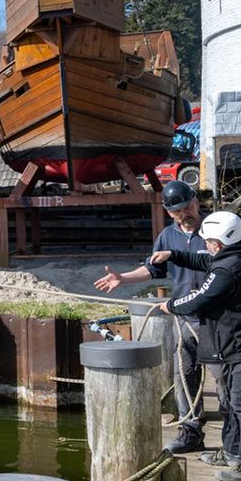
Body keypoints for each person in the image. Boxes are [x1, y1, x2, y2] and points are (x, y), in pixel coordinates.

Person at [153, 211, 241, 481]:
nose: (207, 246)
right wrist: (174, 255)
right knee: (234, 401)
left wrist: (171, 306)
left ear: (219, 243)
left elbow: (200, 298)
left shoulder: (229, 269)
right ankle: (232, 452)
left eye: (209, 241)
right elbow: (205, 261)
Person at [93, 180, 212, 454]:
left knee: (224, 378)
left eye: (188, 206)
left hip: (216, 317)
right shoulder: (167, 236)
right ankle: (191, 433)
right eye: (178, 211)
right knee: (184, 375)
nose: (185, 214)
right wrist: (122, 278)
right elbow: (153, 269)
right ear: (170, 213)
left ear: (196, 200)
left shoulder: (213, 230)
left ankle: (233, 440)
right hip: (184, 316)